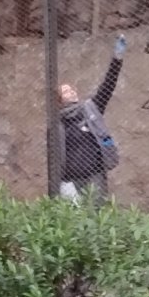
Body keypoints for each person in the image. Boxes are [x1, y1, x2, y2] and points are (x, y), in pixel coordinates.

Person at [54, 34, 127, 200]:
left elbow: (107, 87)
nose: (71, 92)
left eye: (71, 89)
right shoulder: (57, 122)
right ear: (59, 101)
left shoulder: (90, 109)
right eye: (65, 91)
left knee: (97, 213)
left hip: (95, 175)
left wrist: (117, 59)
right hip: (72, 180)